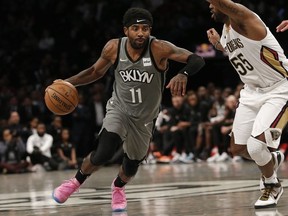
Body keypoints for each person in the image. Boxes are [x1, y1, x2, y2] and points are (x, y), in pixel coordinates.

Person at [52, 7, 205, 212]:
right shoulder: (114, 48)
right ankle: (74, 183)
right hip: (119, 109)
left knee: (132, 164)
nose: (141, 33)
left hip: (144, 119)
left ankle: (118, 187)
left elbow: (197, 59)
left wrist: (184, 73)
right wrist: (67, 83)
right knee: (103, 152)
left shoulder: (159, 48)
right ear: (126, 31)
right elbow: (95, 71)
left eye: (145, 28)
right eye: (135, 28)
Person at [206, 0, 288, 209]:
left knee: (256, 146)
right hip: (251, 92)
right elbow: (242, 52)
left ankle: (272, 185)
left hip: (279, 88)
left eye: (214, 4)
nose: (210, 7)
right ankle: (272, 158)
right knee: (238, 148)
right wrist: (219, 46)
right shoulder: (225, 31)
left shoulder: (244, 18)